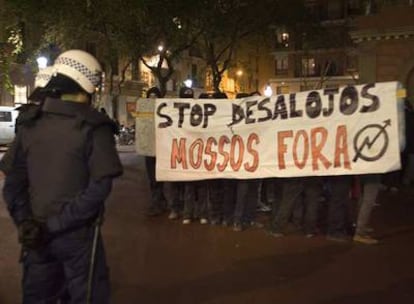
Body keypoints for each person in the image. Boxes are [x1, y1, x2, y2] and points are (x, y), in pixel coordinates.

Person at [1, 49, 123, 303]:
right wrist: (56, 225)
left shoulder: (29, 123)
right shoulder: (94, 126)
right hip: (77, 238)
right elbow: (100, 188)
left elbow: (13, 185)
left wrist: (27, 224)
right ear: (89, 84)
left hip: (35, 236)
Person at [145, 87, 168, 216]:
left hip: (161, 151)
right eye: (150, 96)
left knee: (159, 179)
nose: (152, 99)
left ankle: (159, 202)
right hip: (149, 151)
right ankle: (158, 201)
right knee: (152, 179)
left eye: (155, 96)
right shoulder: (144, 113)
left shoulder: (165, 113)